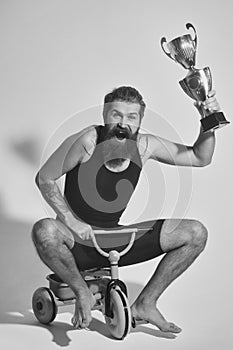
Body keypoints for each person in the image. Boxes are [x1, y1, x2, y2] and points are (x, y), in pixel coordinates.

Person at [32, 86, 219, 333]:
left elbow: (199, 157)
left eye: (131, 117)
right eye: (116, 115)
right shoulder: (87, 141)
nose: (123, 123)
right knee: (44, 230)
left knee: (195, 233)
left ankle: (146, 303)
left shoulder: (144, 145)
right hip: (76, 241)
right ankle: (82, 293)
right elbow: (44, 178)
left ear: (140, 120)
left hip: (113, 240)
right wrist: (71, 221)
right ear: (104, 115)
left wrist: (208, 118)